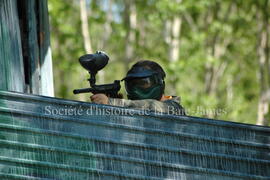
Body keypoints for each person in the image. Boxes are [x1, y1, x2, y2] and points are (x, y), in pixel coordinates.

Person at [90, 60, 185, 116]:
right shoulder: (135, 111)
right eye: (131, 85)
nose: (135, 89)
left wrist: (112, 102)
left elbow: (151, 106)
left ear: (160, 83)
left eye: (144, 83)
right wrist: (115, 111)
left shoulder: (174, 108)